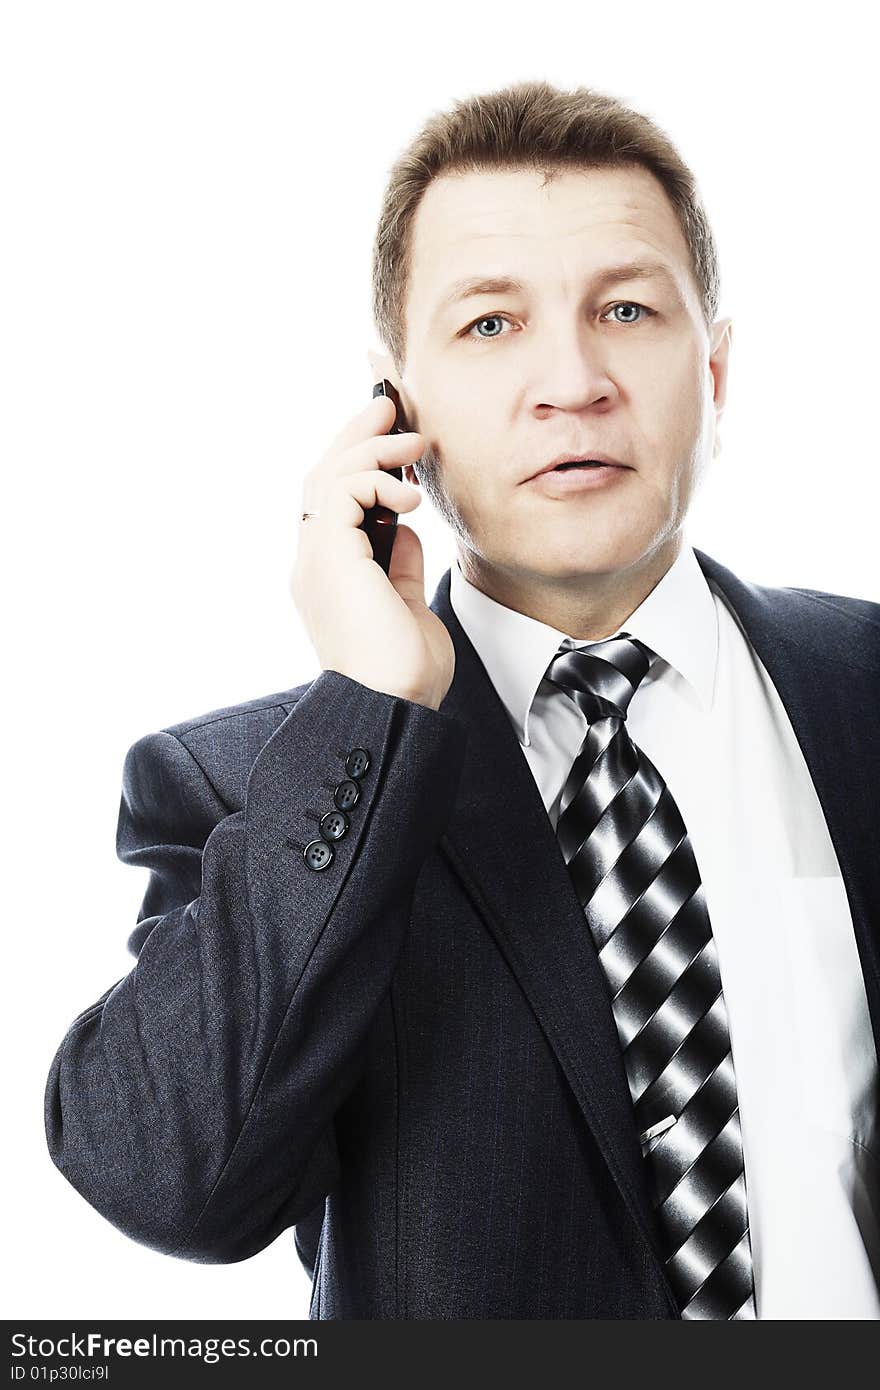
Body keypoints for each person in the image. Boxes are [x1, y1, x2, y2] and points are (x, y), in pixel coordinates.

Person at [45, 78, 880, 1320]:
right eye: (490, 326)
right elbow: (169, 1182)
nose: (573, 380)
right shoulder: (258, 783)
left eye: (628, 309)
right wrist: (371, 705)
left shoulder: (860, 686)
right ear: (396, 411)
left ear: (713, 369)